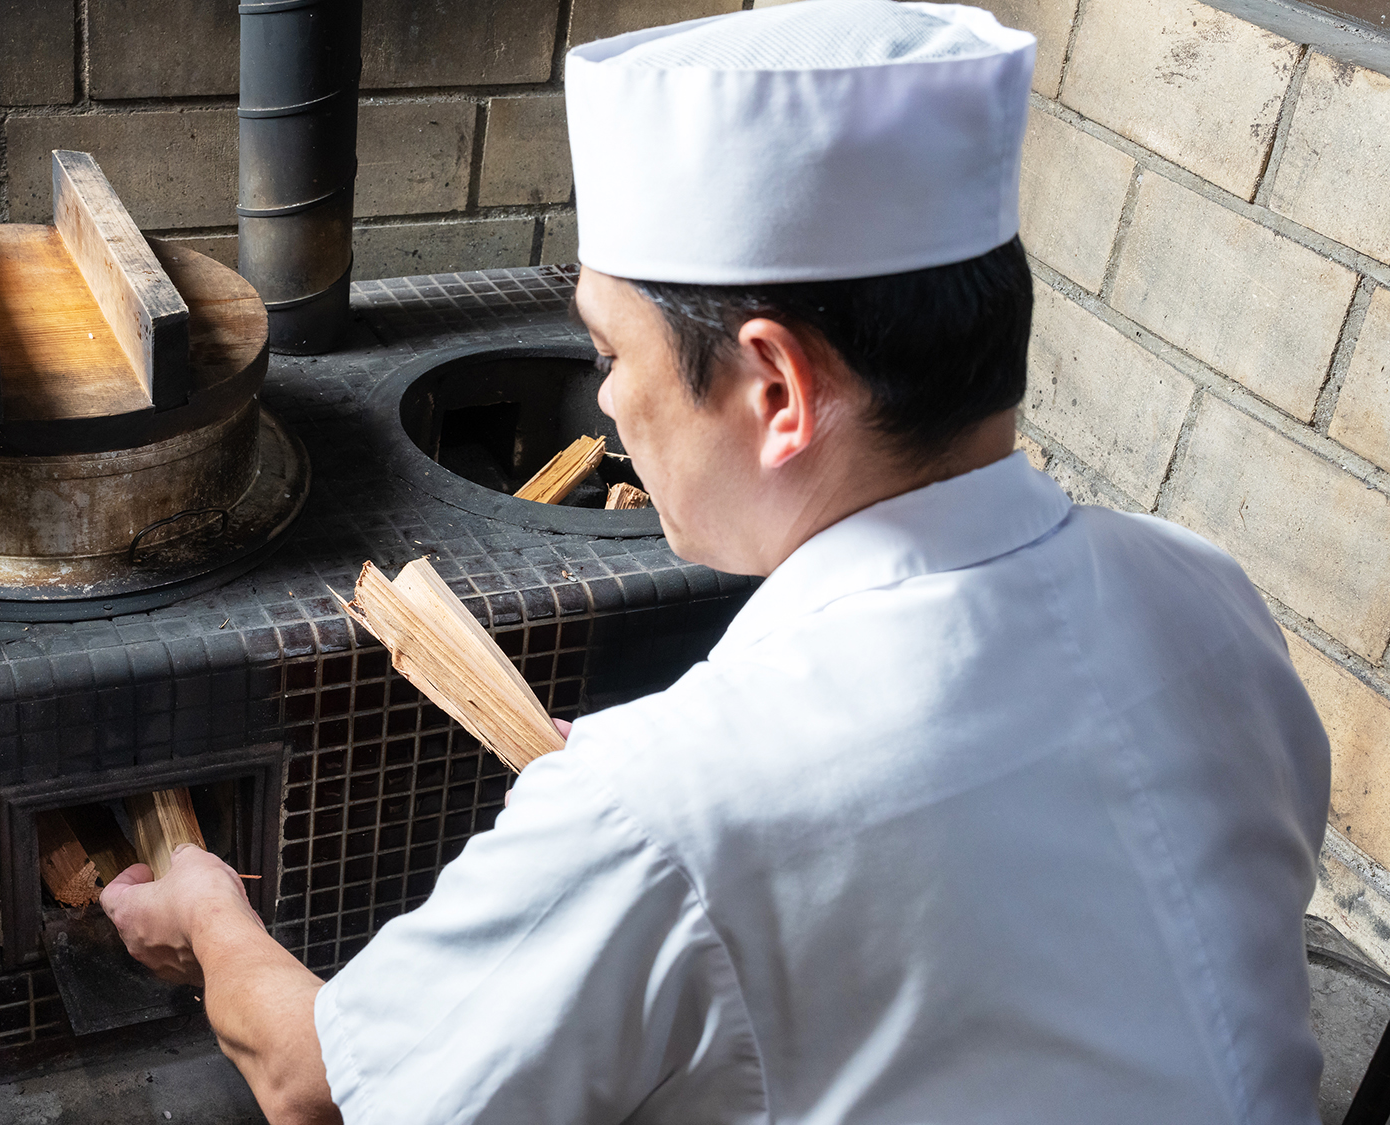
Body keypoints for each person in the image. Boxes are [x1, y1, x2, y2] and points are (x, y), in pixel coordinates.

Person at [103, 3, 1334, 1122]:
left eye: (609, 349)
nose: (607, 402)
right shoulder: (1207, 598)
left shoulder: (665, 807)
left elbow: (313, 1080)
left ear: (776, 387)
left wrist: (206, 909)